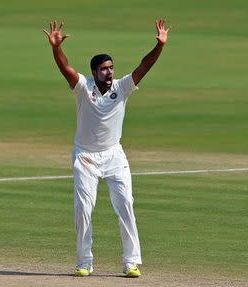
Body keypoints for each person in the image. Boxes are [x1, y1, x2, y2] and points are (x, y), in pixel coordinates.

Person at [43, 19, 171, 277]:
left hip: (114, 155)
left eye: (111, 68)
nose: (109, 72)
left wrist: (159, 45)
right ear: (93, 72)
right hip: (85, 157)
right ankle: (84, 261)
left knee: (125, 204)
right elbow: (65, 67)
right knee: (83, 209)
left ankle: (131, 262)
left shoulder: (123, 87)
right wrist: (56, 49)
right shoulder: (82, 87)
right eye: (104, 69)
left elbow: (143, 66)